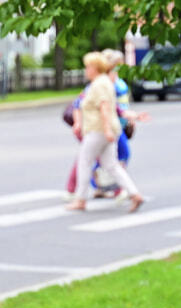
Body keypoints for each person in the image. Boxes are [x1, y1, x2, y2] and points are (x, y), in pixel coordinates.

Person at [67, 52, 143, 213]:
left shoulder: (100, 84)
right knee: (111, 165)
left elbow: (105, 107)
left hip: (98, 130)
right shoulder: (104, 82)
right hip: (107, 130)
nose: (86, 70)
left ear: (95, 68)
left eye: (88, 66)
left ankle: (80, 199)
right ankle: (134, 194)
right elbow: (114, 107)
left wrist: (107, 129)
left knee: (85, 162)